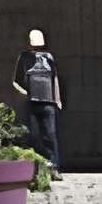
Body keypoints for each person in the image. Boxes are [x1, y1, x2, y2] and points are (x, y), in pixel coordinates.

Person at [12, 26, 62, 170]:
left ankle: (54, 165)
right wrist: (25, 94)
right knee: (34, 135)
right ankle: (37, 166)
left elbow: (55, 78)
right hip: (32, 102)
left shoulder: (49, 57)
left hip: (49, 102)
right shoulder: (24, 57)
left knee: (50, 135)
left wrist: (57, 99)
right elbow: (16, 80)